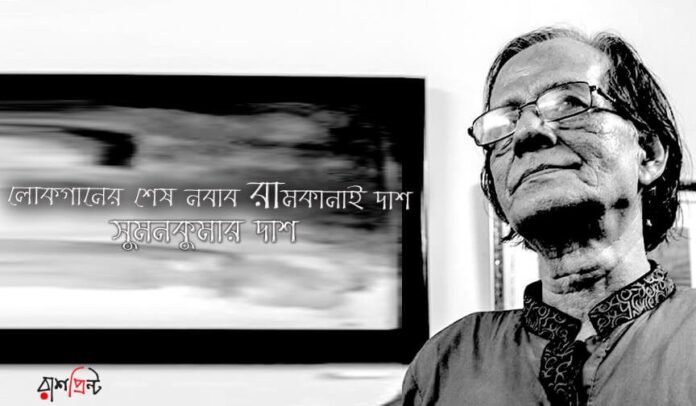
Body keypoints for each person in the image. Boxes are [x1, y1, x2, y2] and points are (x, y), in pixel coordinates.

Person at [402, 27, 696, 406]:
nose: (525, 132)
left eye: (569, 102)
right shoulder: (445, 366)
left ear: (649, 153)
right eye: (504, 122)